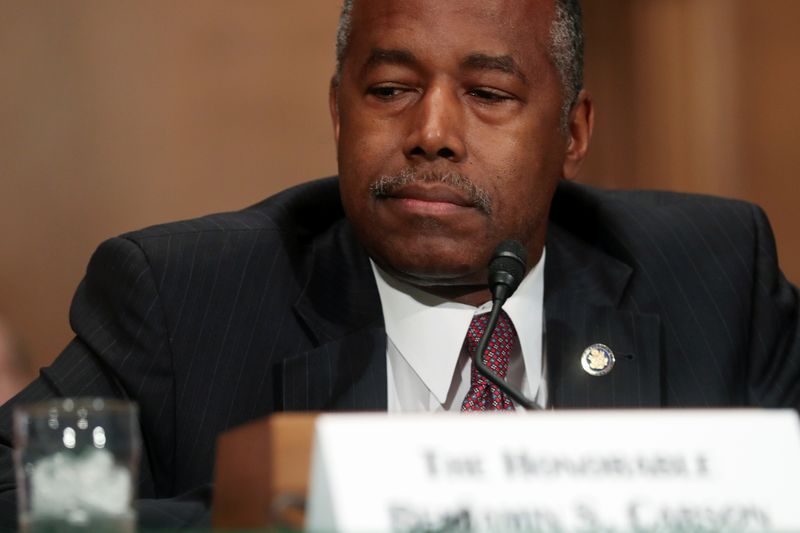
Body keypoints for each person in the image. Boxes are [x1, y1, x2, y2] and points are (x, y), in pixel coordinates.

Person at [1, 0, 798, 529]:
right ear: (337, 110)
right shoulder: (187, 296)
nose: (433, 132)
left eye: (488, 93)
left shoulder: (713, 277)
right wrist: (290, 512)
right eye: (389, 88)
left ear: (574, 132)